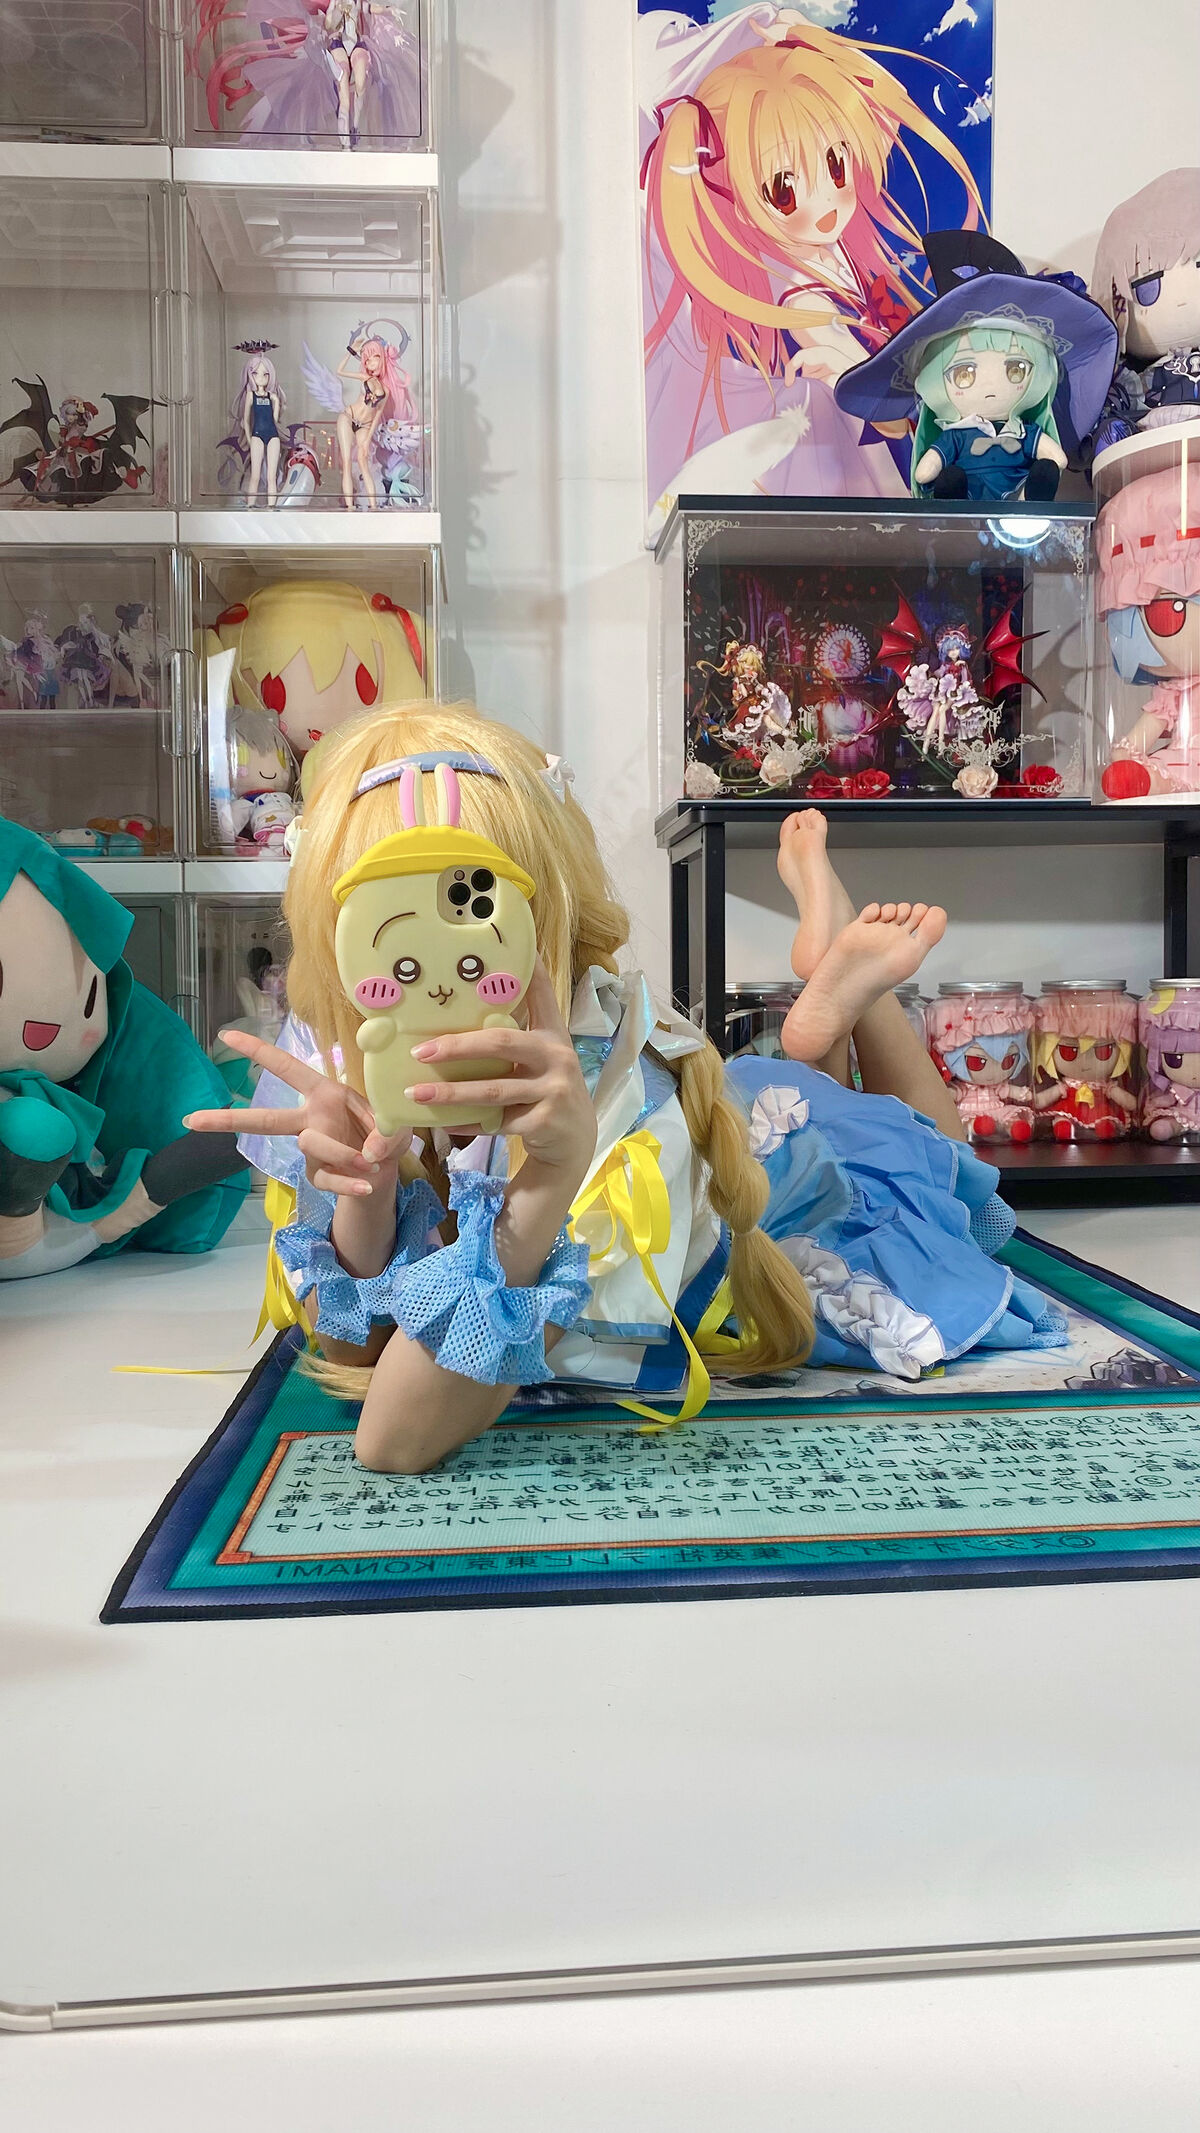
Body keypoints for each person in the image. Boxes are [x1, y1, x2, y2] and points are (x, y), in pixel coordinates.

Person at [183, 704, 1066, 1473]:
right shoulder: (359, 1054)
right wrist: (367, 1202)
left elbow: (394, 1437)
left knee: (930, 1163)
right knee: (809, 1102)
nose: (436, 982)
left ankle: (866, 1004)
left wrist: (544, 1182)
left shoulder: (619, 1118)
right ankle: (825, 995)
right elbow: (351, 1352)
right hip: (749, 1115)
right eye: (391, 938)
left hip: (759, 1169)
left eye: (468, 927)